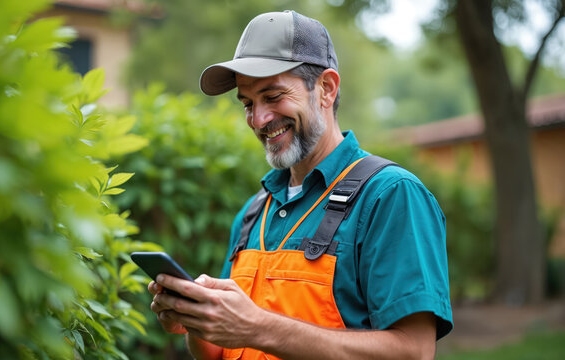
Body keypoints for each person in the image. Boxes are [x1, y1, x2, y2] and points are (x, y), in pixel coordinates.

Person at [148, 10, 453, 360]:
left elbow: (414, 352)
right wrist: (198, 323)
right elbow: (220, 353)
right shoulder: (253, 213)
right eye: (248, 103)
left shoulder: (390, 195)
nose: (259, 119)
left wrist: (258, 327)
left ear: (326, 88)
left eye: (274, 96)